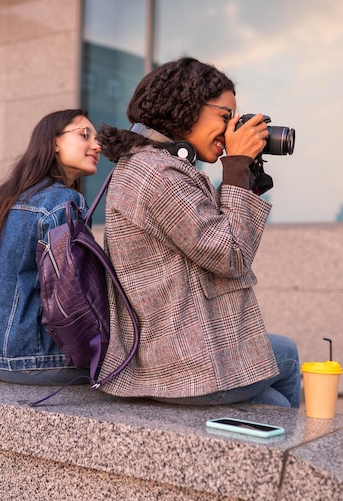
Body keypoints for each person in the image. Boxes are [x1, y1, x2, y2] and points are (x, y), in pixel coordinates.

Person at [96, 57, 301, 407]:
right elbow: (231, 254)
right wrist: (235, 166)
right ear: (186, 107)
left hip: (170, 345)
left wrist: (245, 173)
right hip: (178, 362)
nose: (230, 129)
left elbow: (216, 240)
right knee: (282, 383)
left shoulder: (153, 165)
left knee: (279, 377)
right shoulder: (158, 175)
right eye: (225, 117)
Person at [0, 109, 101, 385]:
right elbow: (75, 296)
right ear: (54, 142)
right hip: (39, 362)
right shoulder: (64, 203)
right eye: (85, 135)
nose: (96, 145)